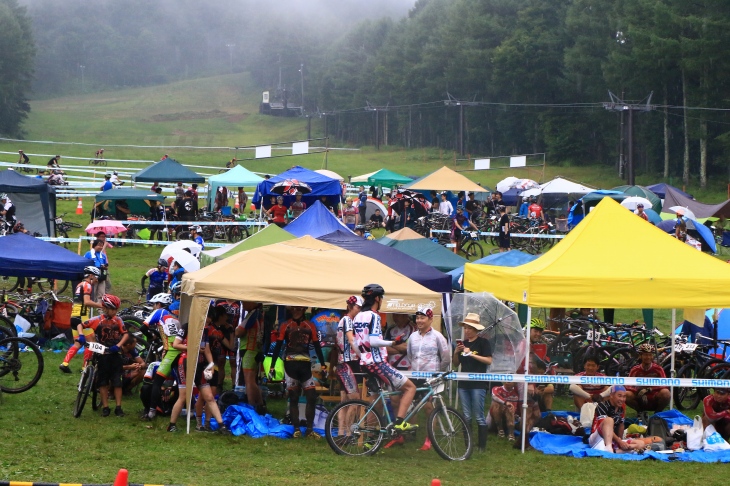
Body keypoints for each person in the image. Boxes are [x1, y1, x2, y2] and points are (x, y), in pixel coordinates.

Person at [352, 284, 417, 434]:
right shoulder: (374, 316)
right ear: (377, 298)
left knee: (376, 400)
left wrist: (364, 356)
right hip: (377, 363)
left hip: (366, 363)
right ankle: (400, 423)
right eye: (381, 298)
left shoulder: (358, 317)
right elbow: (374, 341)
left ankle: (370, 437)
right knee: (410, 388)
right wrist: (393, 343)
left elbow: (355, 344)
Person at [269, 306, 326, 439]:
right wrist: (272, 366)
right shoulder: (285, 325)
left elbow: (317, 346)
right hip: (290, 364)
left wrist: (323, 365)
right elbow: (278, 345)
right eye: (294, 308)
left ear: (303, 309)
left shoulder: (310, 325)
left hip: (305, 365)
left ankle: (310, 429)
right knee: (293, 397)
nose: (296, 310)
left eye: (299, 308)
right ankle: (296, 429)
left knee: (311, 396)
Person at [167, 321, 230, 434]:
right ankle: (171, 425)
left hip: (199, 365)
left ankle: (222, 426)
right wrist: (192, 348)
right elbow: (176, 344)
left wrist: (211, 364)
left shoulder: (204, 331)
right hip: (185, 363)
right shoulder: (187, 326)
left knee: (209, 396)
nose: (208, 321)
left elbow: (207, 350)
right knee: (183, 396)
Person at [76, 294, 129, 417]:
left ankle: (118, 407)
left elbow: (125, 334)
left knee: (117, 381)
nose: (115, 312)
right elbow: (80, 325)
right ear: (105, 308)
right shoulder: (97, 320)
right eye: (112, 309)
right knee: (103, 382)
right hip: (102, 354)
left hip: (115, 354)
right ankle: (105, 407)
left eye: (116, 309)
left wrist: (119, 345)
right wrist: (81, 335)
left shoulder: (118, 320)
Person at [407, 306, 449, 451]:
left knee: (429, 407)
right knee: (412, 406)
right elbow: (410, 355)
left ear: (430, 319)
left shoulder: (438, 336)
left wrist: (438, 372)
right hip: (415, 375)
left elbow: (446, 357)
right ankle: (411, 434)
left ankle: (429, 438)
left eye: (422, 317)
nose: (419, 320)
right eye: (417, 317)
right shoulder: (412, 336)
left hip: (432, 376)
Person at [452, 313, 492, 451]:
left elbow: (488, 360)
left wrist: (472, 354)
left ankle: (482, 446)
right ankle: (467, 443)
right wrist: (457, 352)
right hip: (463, 383)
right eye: (465, 328)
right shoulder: (463, 344)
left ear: (476, 329)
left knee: (479, 416)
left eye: (469, 328)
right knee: (466, 415)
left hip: (478, 383)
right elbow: (455, 364)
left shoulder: (483, 343)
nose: (467, 330)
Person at [59, 266, 105, 373]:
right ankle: (85, 367)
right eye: (96, 277)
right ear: (91, 275)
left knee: (77, 343)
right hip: (82, 318)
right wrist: (101, 305)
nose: (97, 280)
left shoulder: (79, 285)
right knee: (91, 341)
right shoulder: (87, 285)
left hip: (74, 317)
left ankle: (64, 363)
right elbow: (87, 302)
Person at [145, 308, 182, 420]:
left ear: (159, 304)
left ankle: (151, 412)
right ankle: (191, 410)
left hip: (172, 351)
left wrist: (151, 337)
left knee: (157, 381)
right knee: (183, 384)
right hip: (181, 351)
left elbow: (143, 327)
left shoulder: (158, 312)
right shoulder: (174, 318)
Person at [517, 318, 554, 412]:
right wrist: (529, 383)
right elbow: (524, 364)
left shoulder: (529, 344)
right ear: (528, 330)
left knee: (534, 414)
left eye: (540, 332)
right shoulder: (524, 344)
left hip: (528, 380)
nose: (538, 334)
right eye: (535, 331)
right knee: (527, 413)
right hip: (522, 381)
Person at [234, 301, 266, 413]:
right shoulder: (259, 314)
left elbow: (238, 332)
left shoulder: (253, 314)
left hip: (250, 349)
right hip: (255, 349)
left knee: (249, 381)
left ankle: (252, 407)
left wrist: (236, 329)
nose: (243, 303)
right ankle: (260, 405)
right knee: (252, 380)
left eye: (245, 302)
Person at [625, 343, 671, 419]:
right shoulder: (635, 370)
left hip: (654, 396)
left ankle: (658, 413)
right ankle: (640, 412)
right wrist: (638, 391)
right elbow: (628, 386)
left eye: (650, 355)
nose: (648, 357)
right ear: (640, 356)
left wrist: (649, 389)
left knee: (666, 393)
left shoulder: (658, 369)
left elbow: (665, 384)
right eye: (645, 355)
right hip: (640, 397)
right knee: (626, 394)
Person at [335, 296, 362, 406]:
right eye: (358, 307)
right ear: (350, 306)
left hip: (343, 362)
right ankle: (350, 424)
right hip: (349, 362)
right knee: (355, 400)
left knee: (344, 402)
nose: (360, 310)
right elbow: (352, 340)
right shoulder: (348, 320)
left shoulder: (343, 320)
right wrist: (363, 356)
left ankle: (341, 424)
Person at [589, 385, 630, 453]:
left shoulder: (621, 408)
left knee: (640, 444)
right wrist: (619, 441)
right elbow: (605, 428)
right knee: (609, 420)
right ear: (611, 395)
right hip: (597, 437)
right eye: (619, 396)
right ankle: (609, 448)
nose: (622, 399)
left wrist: (621, 441)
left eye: (624, 396)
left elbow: (621, 425)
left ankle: (615, 451)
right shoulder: (602, 406)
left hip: (613, 439)